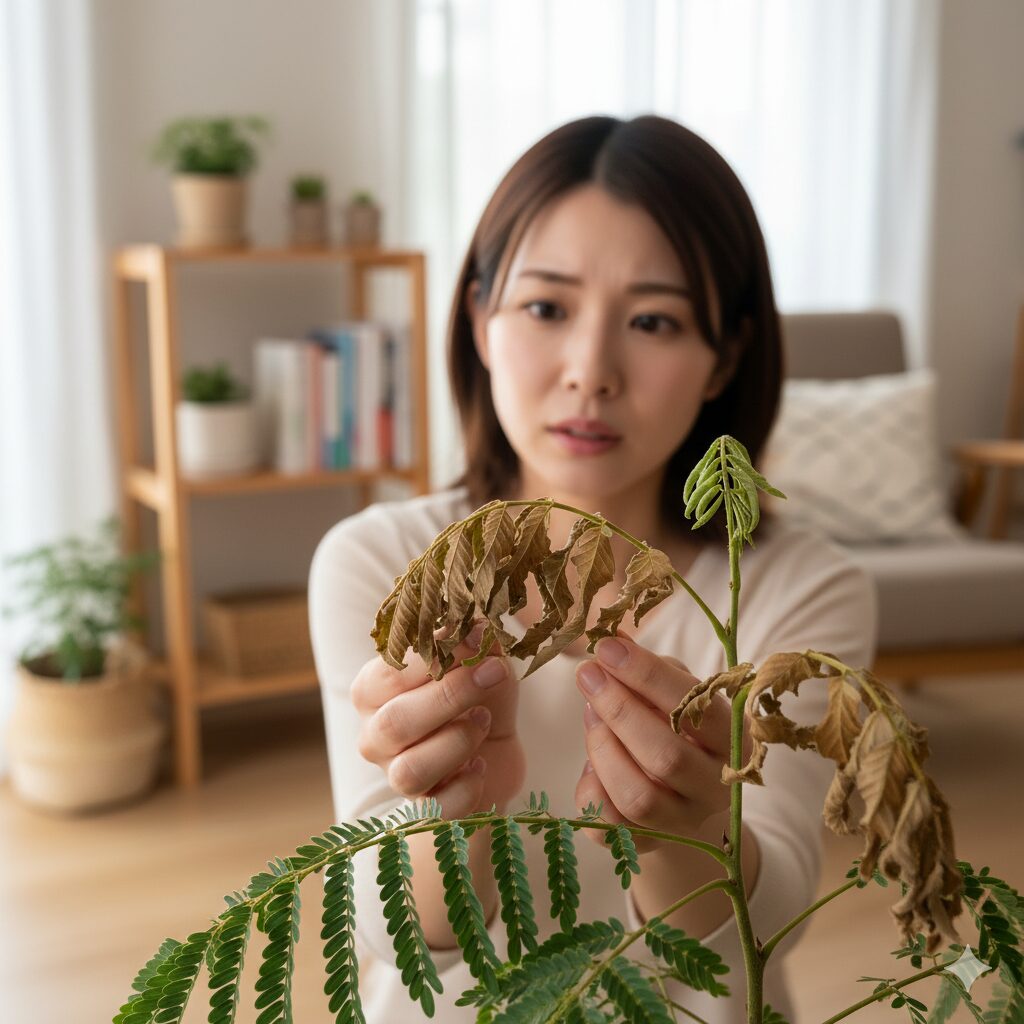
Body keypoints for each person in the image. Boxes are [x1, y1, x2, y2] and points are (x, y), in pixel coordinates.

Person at [309, 114, 877, 1022]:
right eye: (545, 307)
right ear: (481, 321)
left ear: (725, 354)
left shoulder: (791, 590)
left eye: (652, 319)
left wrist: (684, 830)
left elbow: (766, 928)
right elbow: (394, 940)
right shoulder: (377, 562)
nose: (591, 370)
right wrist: (451, 820)